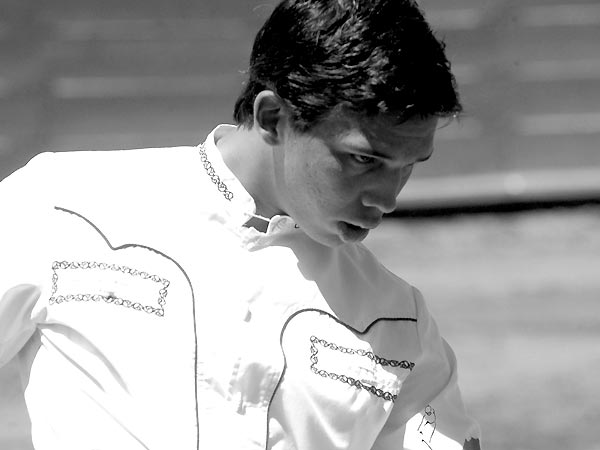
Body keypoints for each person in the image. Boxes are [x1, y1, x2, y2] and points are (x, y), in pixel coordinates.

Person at [0, 0, 482, 448]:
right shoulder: (63, 207)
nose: (388, 197)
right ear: (272, 117)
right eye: (364, 159)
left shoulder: (401, 322)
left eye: (408, 165)